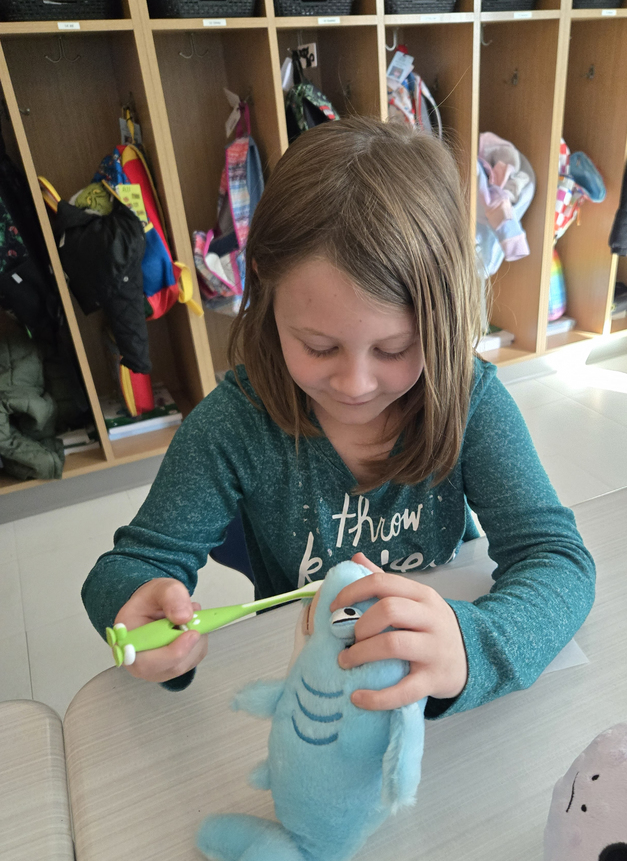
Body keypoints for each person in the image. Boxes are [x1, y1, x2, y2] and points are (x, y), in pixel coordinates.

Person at [82, 117, 595, 719]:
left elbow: (557, 559)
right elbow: (129, 568)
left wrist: (473, 646)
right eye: (319, 347)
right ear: (265, 294)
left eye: (394, 349)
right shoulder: (233, 425)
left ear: (443, 319)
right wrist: (137, 602)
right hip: (311, 692)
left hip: (436, 681)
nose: (355, 385)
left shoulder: (468, 400)